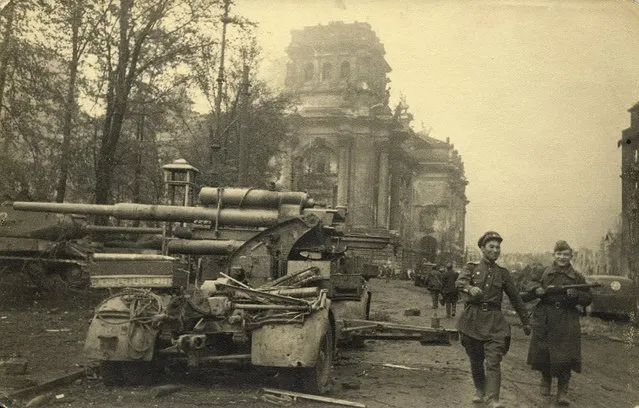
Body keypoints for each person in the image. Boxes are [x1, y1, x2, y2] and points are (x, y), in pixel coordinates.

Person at [455, 231, 532, 408]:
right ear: (482, 248)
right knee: (476, 359)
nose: (495, 250)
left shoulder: (503, 273)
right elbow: (459, 283)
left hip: (495, 323)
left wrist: (526, 321)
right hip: (472, 320)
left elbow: (516, 299)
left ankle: (492, 399)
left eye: (498, 247)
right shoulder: (471, 267)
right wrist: (468, 288)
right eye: (491, 246)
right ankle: (480, 390)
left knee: (494, 360)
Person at [524, 240, 592, 406]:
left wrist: (576, 295)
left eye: (566, 254)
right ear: (553, 255)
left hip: (567, 318)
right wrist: (537, 289)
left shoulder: (577, 276)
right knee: (543, 351)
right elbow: (529, 283)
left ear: (571, 256)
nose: (562, 257)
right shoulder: (544, 272)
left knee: (566, 356)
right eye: (559, 254)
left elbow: (588, 298)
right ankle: (545, 380)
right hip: (545, 316)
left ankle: (563, 391)